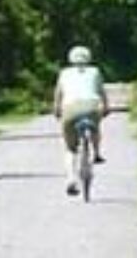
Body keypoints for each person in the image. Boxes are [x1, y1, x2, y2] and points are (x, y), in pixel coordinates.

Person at [53, 44, 109, 195]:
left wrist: (57, 110)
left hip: (70, 108)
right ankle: (96, 153)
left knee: (70, 149)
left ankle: (71, 179)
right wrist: (106, 107)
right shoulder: (95, 71)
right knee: (96, 127)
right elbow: (101, 92)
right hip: (91, 107)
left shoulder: (64, 73)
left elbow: (58, 94)